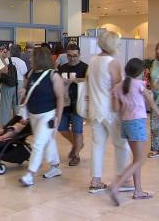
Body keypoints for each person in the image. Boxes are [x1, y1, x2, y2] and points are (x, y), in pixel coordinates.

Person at [108, 58, 158, 205]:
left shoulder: (118, 87)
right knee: (140, 159)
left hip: (126, 124)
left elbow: (116, 109)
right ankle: (116, 185)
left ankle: (138, 191)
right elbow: (151, 102)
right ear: (141, 72)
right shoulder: (140, 84)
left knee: (136, 159)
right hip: (137, 123)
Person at [87, 31, 131, 193]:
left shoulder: (92, 61)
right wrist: (121, 110)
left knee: (97, 145)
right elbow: (118, 89)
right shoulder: (113, 63)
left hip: (95, 108)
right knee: (121, 145)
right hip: (111, 111)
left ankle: (96, 181)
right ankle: (123, 180)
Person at [19, 47, 64, 187]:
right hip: (33, 114)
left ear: (40, 59)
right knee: (48, 141)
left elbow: (60, 98)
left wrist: (58, 117)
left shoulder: (53, 75)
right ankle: (55, 167)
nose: (30, 59)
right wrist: (23, 91)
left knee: (38, 143)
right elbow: (26, 90)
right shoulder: (31, 73)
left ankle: (29, 175)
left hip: (48, 115)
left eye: (33, 57)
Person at [57, 44, 88, 166]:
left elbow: (90, 81)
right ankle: (77, 145)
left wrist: (75, 80)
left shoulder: (85, 67)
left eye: (75, 56)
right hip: (64, 103)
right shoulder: (62, 68)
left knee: (77, 130)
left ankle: (76, 155)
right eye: (69, 56)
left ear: (79, 55)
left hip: (78, 103)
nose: (72, 58)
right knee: (61, 128)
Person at [148, 42, 159, 158]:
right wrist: (152, 87)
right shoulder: (154, 63)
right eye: (157, 49)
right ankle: (156, 149)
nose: (158, 51)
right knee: (154, 125)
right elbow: (151, 77)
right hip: (154, 97)